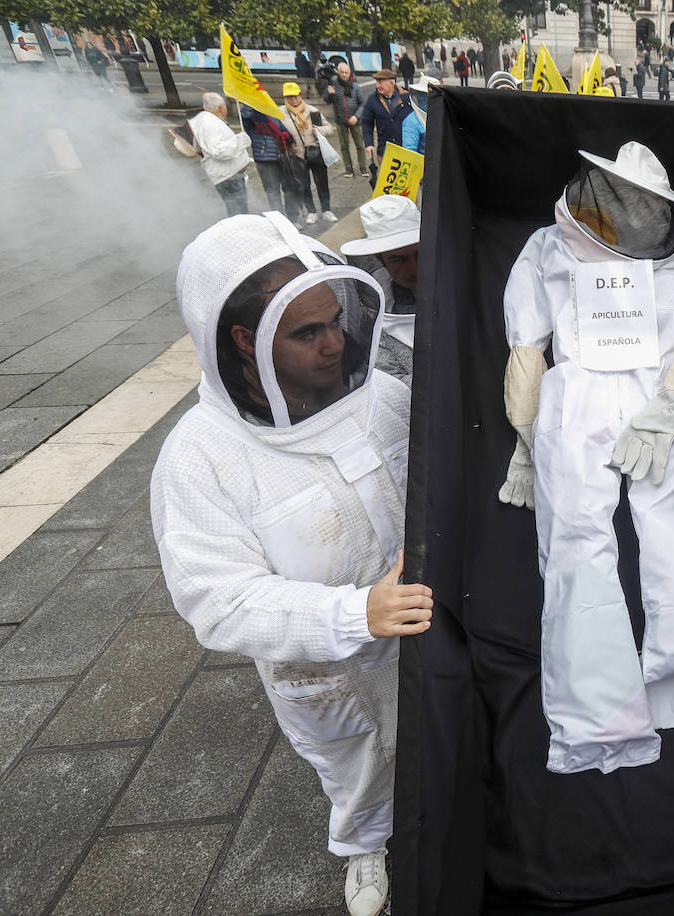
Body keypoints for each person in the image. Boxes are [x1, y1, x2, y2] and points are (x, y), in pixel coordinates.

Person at [152, 212, 432, 916]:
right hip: (328, 668)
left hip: (426, 637)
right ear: (245, 341)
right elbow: (218, 600)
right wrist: (354, 613)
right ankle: (364, 846)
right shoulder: (199, 457)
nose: (335, 342)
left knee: (441, 745)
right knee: (357, 770)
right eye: (308, 333)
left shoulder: (384, 398)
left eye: (335, 319)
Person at [497, 141, 674, 775]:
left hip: (665, 403)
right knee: (579, 548)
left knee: (672, 538)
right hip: (579, 400)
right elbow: (527, 345)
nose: (630, 216)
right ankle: (596, 720)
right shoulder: (548, 245)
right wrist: (525, 442)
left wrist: (667, 405)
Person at [343, 196, 421, 383]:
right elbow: (390, 381)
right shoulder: (373, 312)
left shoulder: (464, 284)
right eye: (399, 260)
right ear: (380, 259)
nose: (414, 269)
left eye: (420, 254)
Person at [188, 93, 253, 218]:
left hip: (227, 175)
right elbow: (218, 151)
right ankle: (238, 235)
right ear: (221, 107)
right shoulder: (209, 124)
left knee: (237, 212)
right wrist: (240, 141)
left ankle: (238, 232)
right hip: (227, 176)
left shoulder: (205, 120)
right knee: (238, 213)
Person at [280, 83, 336, 225]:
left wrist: (319, 130)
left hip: (315, 152)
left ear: (300, 95)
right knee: (303, 185)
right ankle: (311, 211)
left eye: (295, 96)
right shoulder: (281, 113)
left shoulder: (312, 111)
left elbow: (330, 129)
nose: (293, 100)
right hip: (297, 155)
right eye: (289, 97)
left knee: (322, 183)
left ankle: (326, 209)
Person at [241, 103, 302, 221]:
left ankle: (293, 219)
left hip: (282, 155)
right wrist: (250, 103)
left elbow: (282, 128)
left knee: (289, 187)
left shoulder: (272, 112)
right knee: (273, 192)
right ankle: (280, 221)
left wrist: (289, 138)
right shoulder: (251, 115)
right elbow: (245, 116)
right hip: (265, 159)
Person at [359, 70, 412, 181]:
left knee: (408, 186)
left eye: (380, 82)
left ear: (391, 83)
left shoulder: (406, 97)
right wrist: (369, 144)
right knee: (389, 186)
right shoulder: (372, 100)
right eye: (376, 82)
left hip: (406, 150)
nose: (377, 85)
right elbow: (366, 123)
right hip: (385, 151)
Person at [324, 62, 369, 180]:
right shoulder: (333, 84)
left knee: (359, 145)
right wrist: (329, 93)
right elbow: (326, 100)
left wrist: (357, 116)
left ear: (350, 73)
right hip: (340, 120)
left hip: (355, 120)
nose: (344, 75)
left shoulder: (355, 86)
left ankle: (363, 167)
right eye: (342, 72)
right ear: (338, 72)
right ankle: (348, 169)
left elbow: (363, 103)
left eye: (346, 72)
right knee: (344, 146)